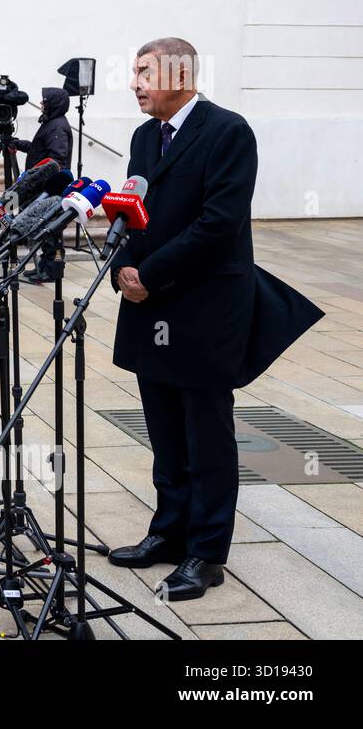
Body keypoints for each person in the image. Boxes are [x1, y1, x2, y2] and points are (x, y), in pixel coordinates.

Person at [108, 37, 323, 602]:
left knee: (206, 435)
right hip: (150, 305)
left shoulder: (227, 131)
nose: (134, 83)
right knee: (163, 430)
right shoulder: (142, 136)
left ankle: (206, 553)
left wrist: (149, 274)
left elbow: (218, 224)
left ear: (180, 74)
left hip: (203, 307)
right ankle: (168, 532)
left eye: (143, 72)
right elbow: (133, 210)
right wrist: (124, 266)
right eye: (134, 72)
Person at [13, 86, 73, 284]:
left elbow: (56, 159)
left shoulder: (57, 126)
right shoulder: (52, 124)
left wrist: (43, 183)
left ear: (53, 103)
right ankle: (44, 266)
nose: (41, 105)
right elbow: (40, 151)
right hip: (45, 187)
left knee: (49, 228)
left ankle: (51, 270)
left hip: (50, 189)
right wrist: (20, 145)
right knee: (44, 228)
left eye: (44, 101)